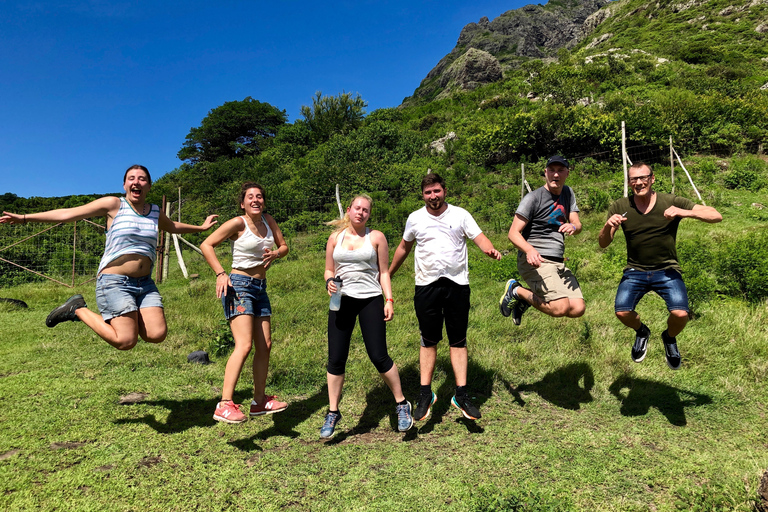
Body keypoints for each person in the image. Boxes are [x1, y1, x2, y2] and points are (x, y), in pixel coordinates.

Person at [0, 165, 218, 350]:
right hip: (115, 281)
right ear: (124, 185)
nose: (137, 182)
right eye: (131, 178)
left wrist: (201, 227)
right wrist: (25, 217)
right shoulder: (115, 205)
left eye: (142, 179)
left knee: (156, 334)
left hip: (145, 284)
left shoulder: (153, 211)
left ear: (149, 186)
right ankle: (77, 309)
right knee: (125, 340)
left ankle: (116, 315)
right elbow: (69, 213)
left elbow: (172, 226)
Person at [389, 172, 501, 422]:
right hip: (426, 286)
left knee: (458, 340)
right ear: (423, 195)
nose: (433, 196)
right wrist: (387, 273)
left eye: (436, 191)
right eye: (428, 193)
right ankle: (425, 394)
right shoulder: (415, 218)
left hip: (457, 285)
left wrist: (489, 249)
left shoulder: (461, 214)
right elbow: (404, 247)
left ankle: (461, 394)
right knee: (428, 340)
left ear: (444, 191)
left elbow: (478, 237)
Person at [598, 162, 722, 370]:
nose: (639, 183)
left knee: (680, 314)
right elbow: (603, 243)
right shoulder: (620, 206)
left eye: (643, 178)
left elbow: (715, 215)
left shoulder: (670, 201)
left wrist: (684, 212)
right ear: (629, 183)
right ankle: (642, 332)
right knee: (622, 312)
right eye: (634, 179)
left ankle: (669, 338)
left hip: (667, 270)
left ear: (652, 179)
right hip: (635, 270)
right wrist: (608, 225)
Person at [320, 195, 413, 438]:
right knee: (336, 359)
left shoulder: (376, 237)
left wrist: (389, 299)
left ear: (369, 215)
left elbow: (384, 272)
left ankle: (402, 404)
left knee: (378, 355)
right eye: (357, 209)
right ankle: (332, 411)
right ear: (349, 210)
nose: (361, 213)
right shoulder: (334, 239)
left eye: (366, 210)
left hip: (370, 299)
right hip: (341, 301)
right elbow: (329, 269)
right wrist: (329, 281)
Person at [201, 182, 289, 424]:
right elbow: (206, 244)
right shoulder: (237, 223)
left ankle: (259, 402)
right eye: (250, 197)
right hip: (239, 286)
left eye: (259, 196)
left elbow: (284, 246)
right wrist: (220, 273)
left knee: (266, 344)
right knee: (244, 345)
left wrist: (276, 254)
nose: (255, 200)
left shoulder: (269, 220)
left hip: (260, 288)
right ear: (243, 203)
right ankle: (224, 403)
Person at [499, 155, 585, 325]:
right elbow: (513, 233)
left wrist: (573, 227)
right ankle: (516, 290)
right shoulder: (533, 198)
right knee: (560, 307)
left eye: (560, 170)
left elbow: (577, 223)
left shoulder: (568, 193)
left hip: (558, 262)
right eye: (552, 170)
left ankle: (524, 298)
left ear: (567, 173)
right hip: (536, 260)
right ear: (545, 172)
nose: (555, 175)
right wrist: (529, 250)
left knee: (577, 308)